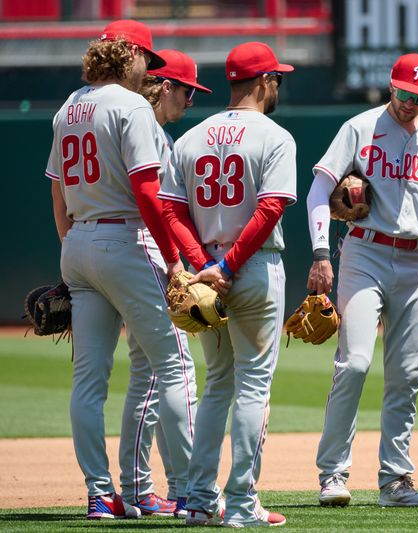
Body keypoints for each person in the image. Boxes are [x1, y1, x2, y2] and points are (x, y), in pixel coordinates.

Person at [304, 52, 418, 508]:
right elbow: (320, 188)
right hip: (365, 250)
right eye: (403, 91)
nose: (409, 101)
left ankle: (395, 481)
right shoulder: (359, 128)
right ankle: (333, 474)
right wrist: (321, 252)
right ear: (389, 84)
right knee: (354, 363)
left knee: (407, 374)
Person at [45, 19, 196, 520]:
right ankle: (191, 491)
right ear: (128, 54)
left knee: (89, 381)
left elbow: (57, 192)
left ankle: (100, 494)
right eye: (146, 61)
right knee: (173, 365)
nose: (148, 71)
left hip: (80, 241)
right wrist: (173, 260)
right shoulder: (130, 106)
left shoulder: (68, 106)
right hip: (125, 238)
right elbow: (148, 192)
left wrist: (75, 252)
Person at [159, 41, 295, 527]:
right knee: (254, 385)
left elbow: (170, 210)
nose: (278, 84)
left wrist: (203, 265)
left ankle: (197, 500)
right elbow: (271, 209)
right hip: (254, 269)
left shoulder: (192, 137)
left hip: (206, 275)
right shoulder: (276, 136)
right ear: (264, 82)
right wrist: (230, 267)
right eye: (277, 77)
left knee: (217, 384)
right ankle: (240, 504)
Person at [117, 49, 211, 518]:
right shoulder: (146, 129)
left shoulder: (134, 124)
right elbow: (158, 206)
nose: (192, 101)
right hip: (145, 252)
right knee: (176, 370)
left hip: (111, 248)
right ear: (165, 86)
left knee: (148, 375)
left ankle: (135, 490)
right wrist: (183, 261)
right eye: (189, 91)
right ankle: (190, 488)